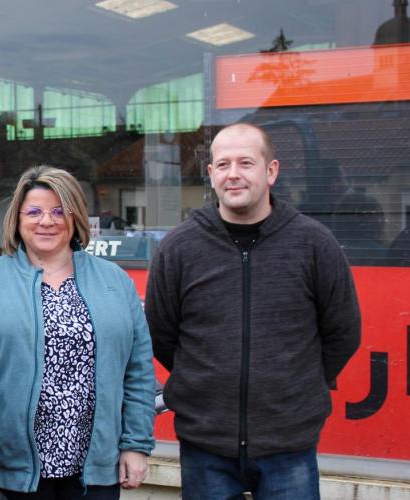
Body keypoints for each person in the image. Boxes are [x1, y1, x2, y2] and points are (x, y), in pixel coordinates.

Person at [145, 123, 361, 499]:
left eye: (246, 163)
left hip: (288, 444)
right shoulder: (179, 248)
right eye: (223, 164)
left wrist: (295, 385)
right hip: (205, 444)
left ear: (271, 171)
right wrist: (206, 383)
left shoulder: (313, 244)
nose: (234, 174)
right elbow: (163, 334)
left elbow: (342, 332)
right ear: (210, 175)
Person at [0, 166, 156, 500]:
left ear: (75, 218)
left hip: (95, 470)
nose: (47, 221)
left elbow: (138, 371)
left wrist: (135, 445)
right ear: (17, 218)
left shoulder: (114, 281)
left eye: (59, 211)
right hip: (11, 470)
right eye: (34, 211)